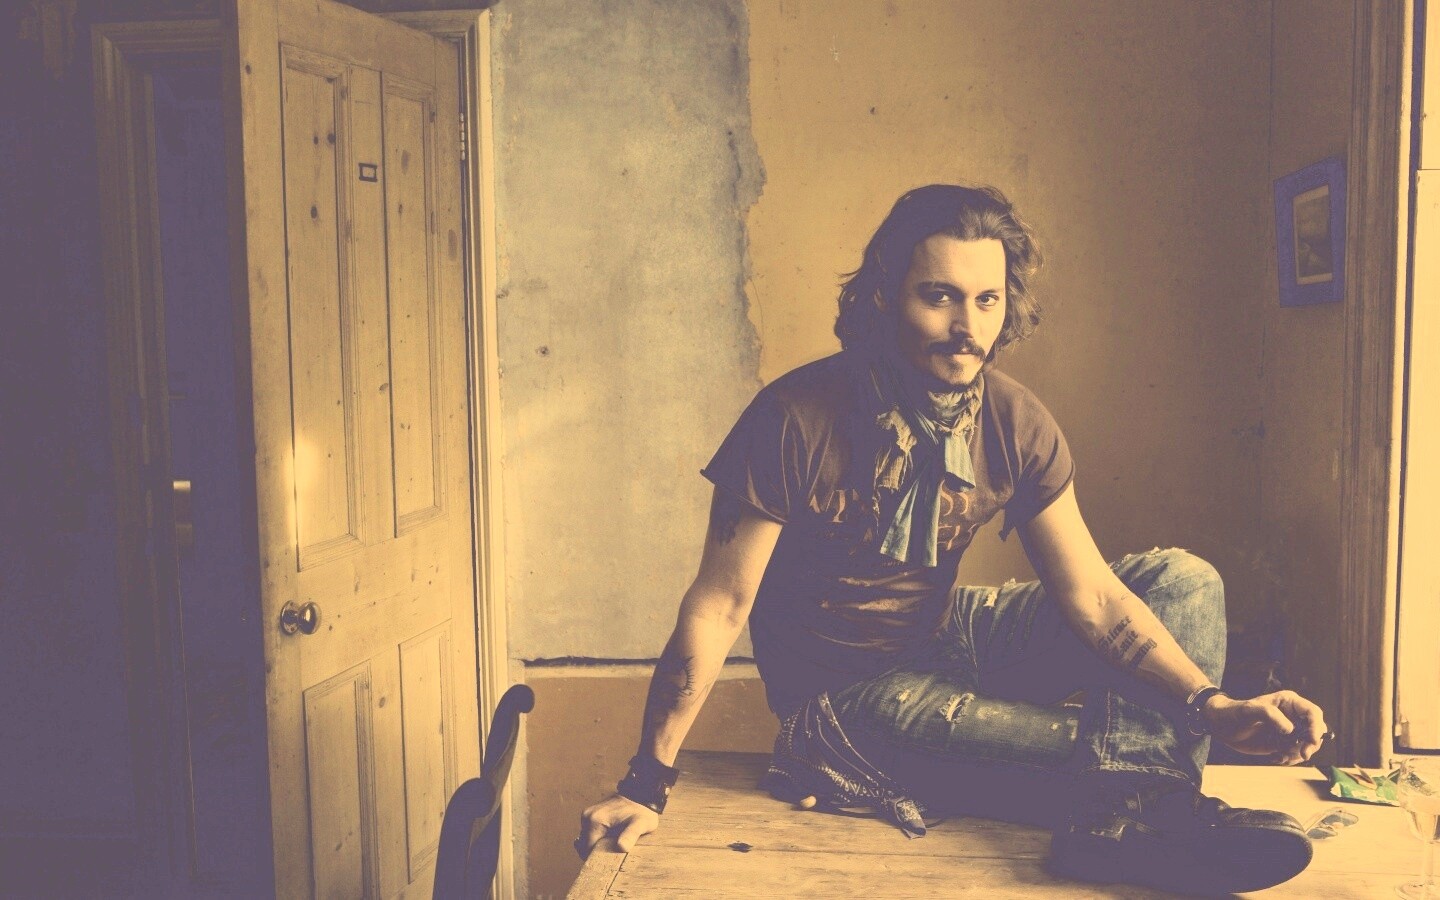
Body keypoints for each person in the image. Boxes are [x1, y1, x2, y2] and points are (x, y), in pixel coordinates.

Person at [576, 184, 1327, 895]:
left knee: (1184, 579)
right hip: (846, 700)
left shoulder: (1013, 418)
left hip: (948, 633)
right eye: (939, 297)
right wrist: (647, 781)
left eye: (986, 299)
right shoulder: (793, 417)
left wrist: (1211, 705)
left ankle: (1125, 815)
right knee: (1092, 748)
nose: (968, 327)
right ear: (884, 296)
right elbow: (719, 607)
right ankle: (1143, 811)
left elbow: (1093, 597)